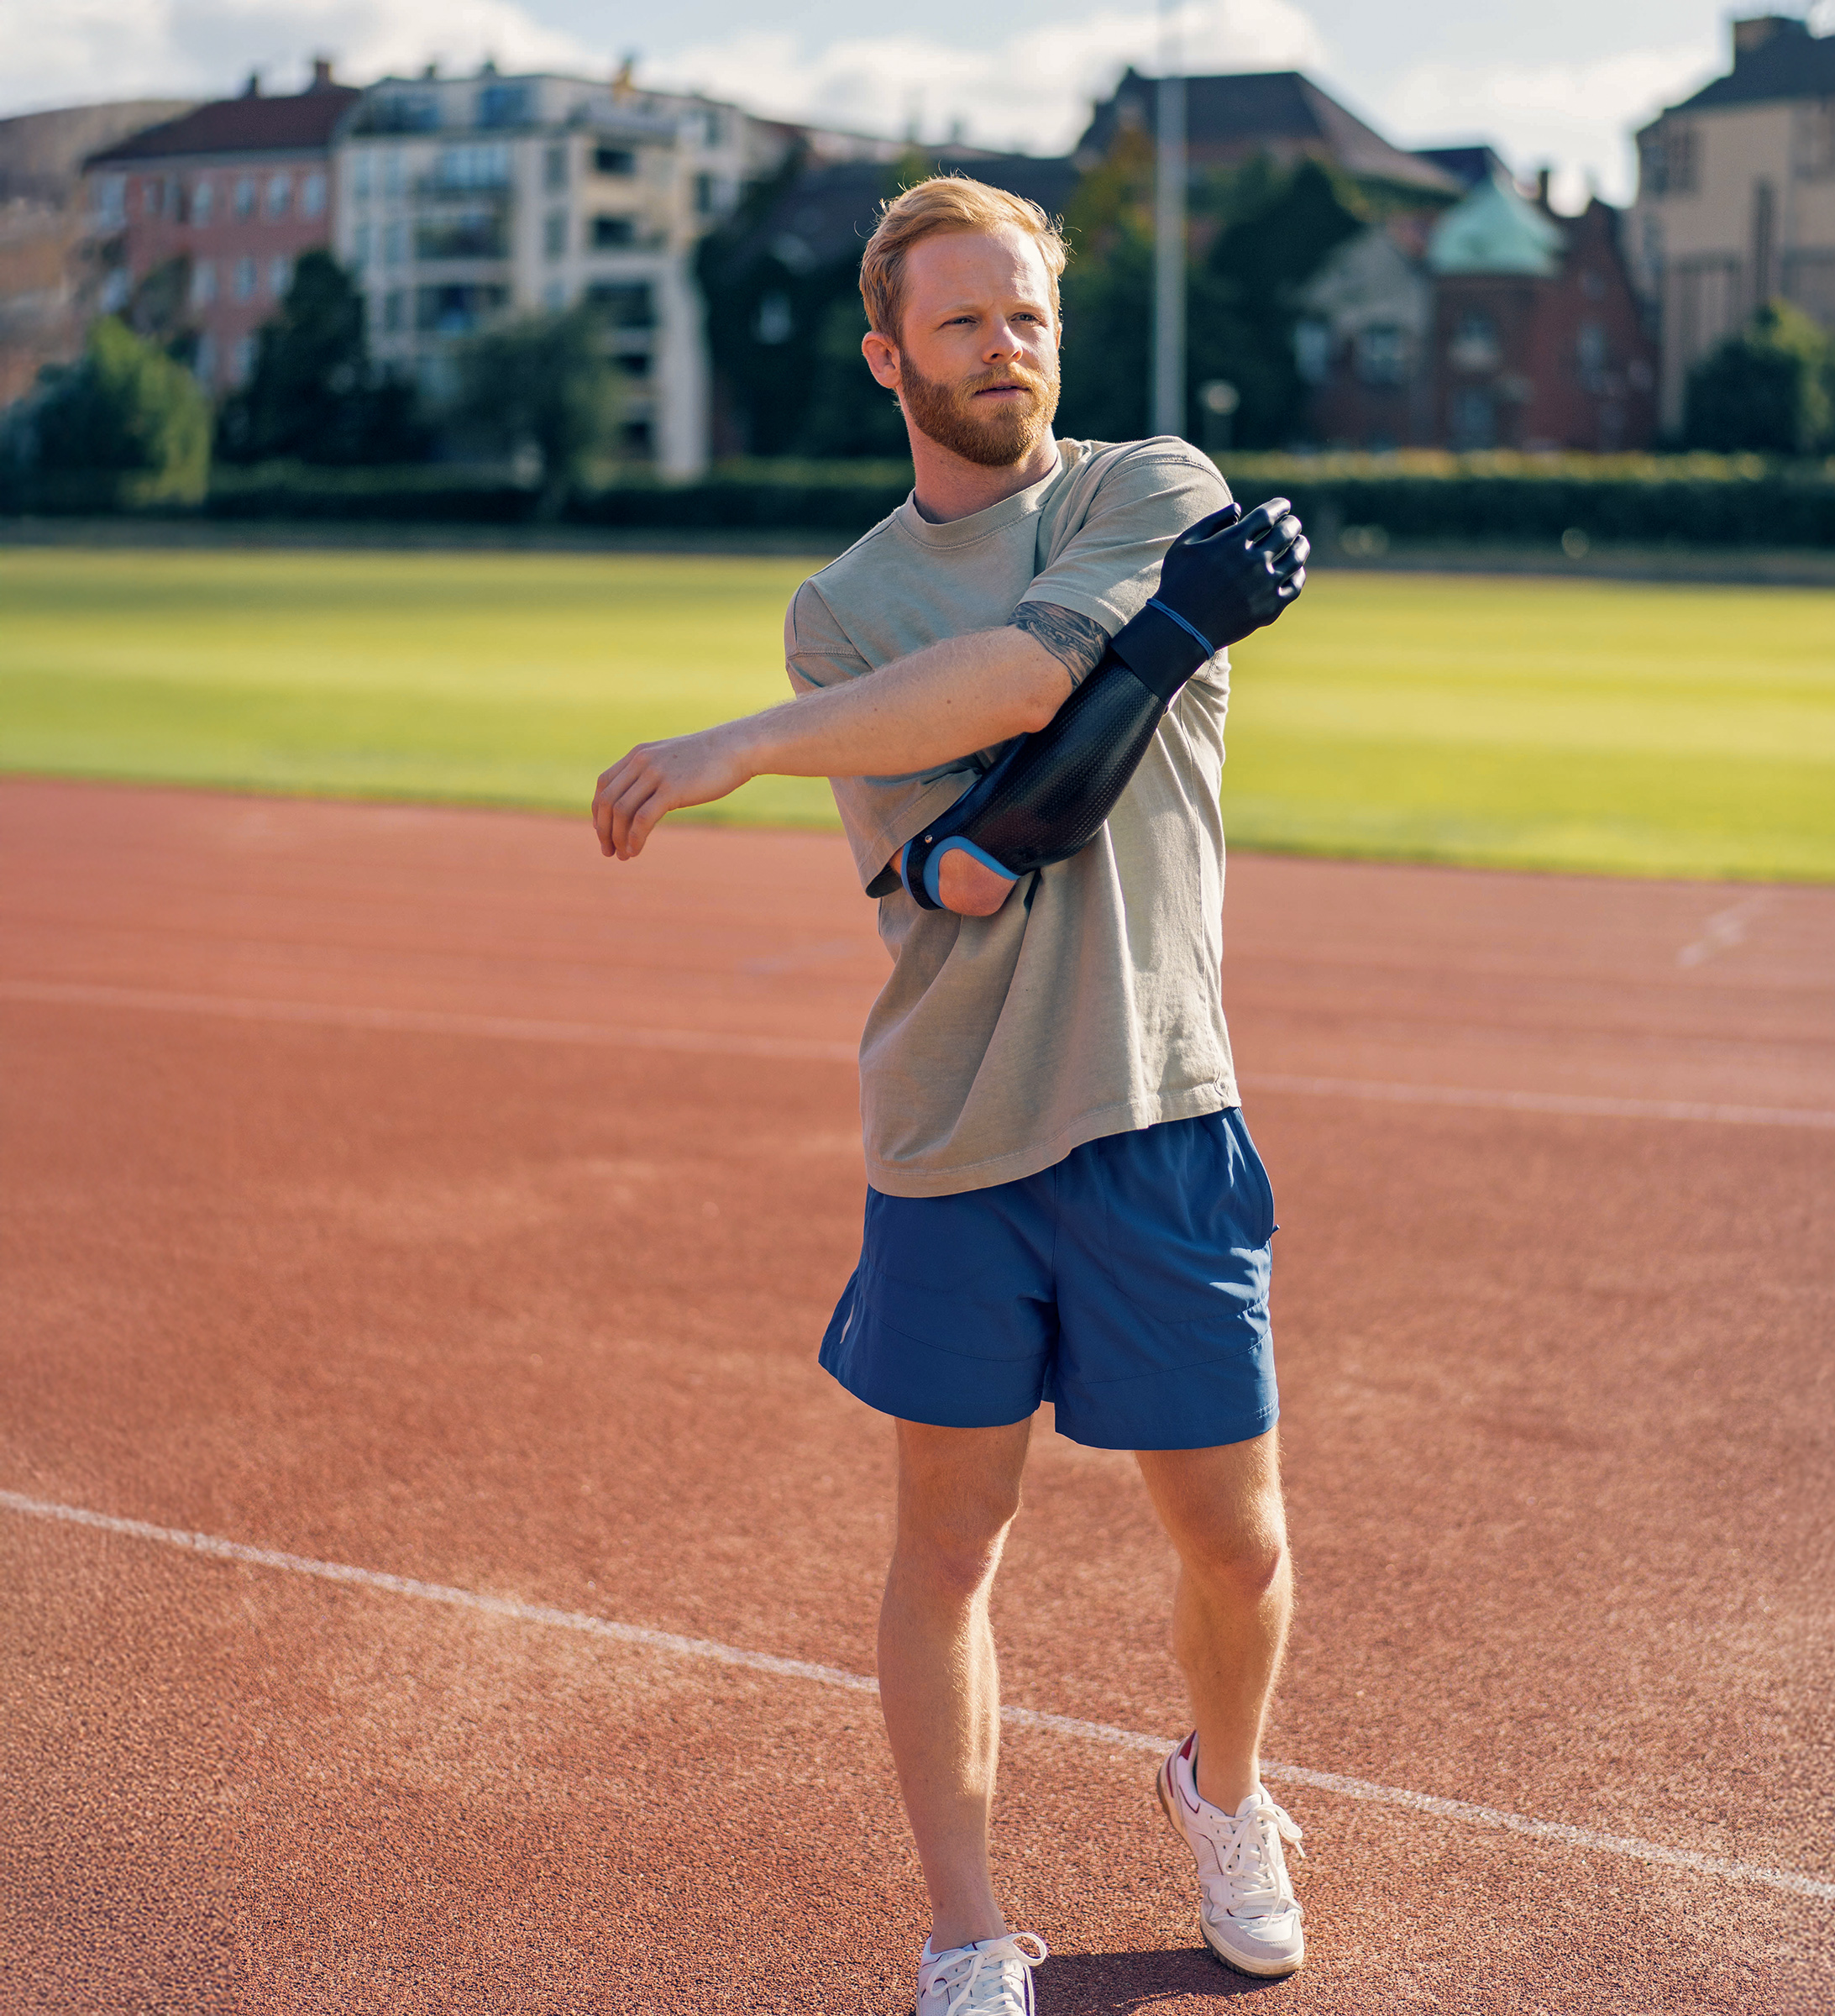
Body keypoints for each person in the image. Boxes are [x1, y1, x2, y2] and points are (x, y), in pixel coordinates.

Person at [592, 175, 1310, 2016]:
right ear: (887, 354)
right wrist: (1109, 677)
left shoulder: (1151, 488)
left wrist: (745, 750)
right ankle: (968, 1929)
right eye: (966, 320)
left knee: (1238, 1548)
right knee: (945, 1549)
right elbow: (973, 864)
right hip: (953, 1133)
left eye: (1030, 315)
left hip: (1157, 1101)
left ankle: (1225, 1794)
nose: (1009, 347)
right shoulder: (844, 615)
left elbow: (1031, 674)